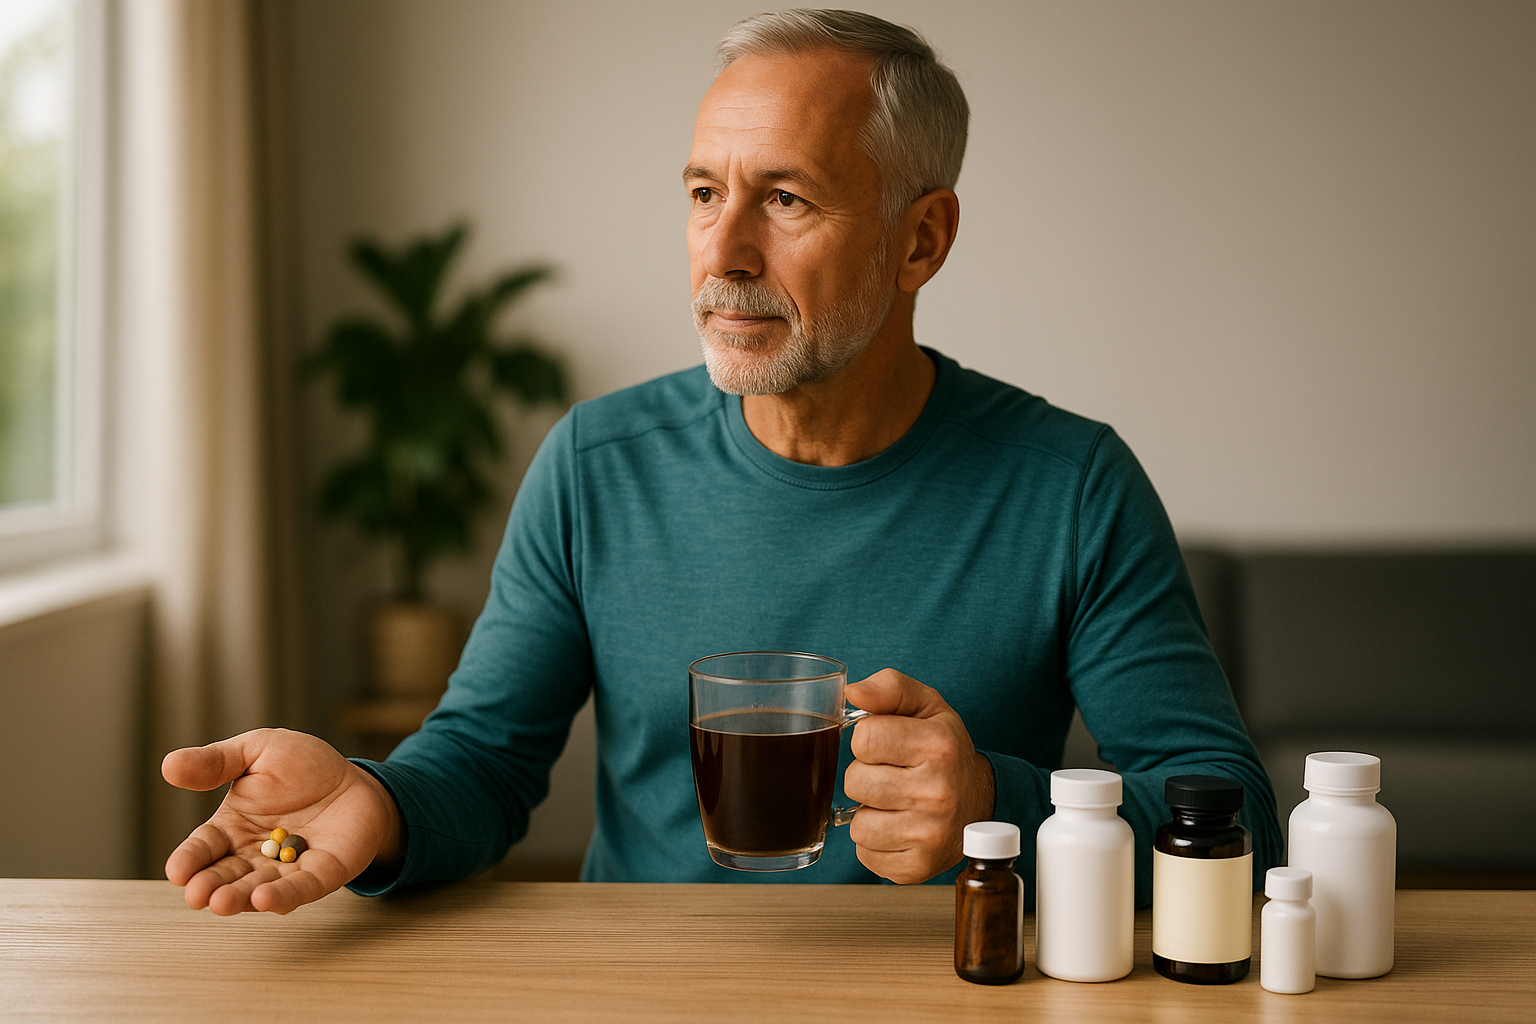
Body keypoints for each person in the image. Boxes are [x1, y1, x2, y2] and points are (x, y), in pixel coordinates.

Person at [163, 9, 1281, 916]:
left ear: (921, 239)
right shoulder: (594, 462)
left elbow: (1238, 819)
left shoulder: (1073, 484)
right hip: (651, 994)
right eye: (705, 193)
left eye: (785, 198)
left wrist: (1000, 804)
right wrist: (379, 801)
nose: (725, 253)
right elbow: (484, 761)